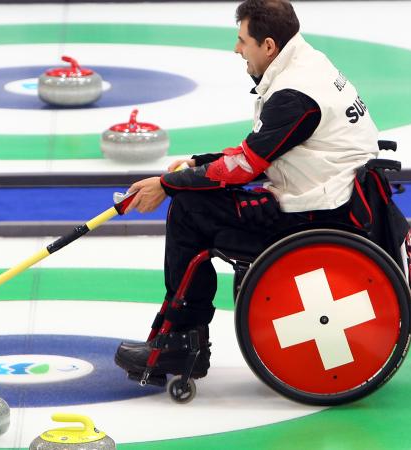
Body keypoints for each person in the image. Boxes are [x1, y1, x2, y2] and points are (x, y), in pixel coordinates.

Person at [114, 0, 382, 380]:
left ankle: (181, 344)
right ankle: (179, 337)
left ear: (269, 46)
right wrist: (199, 162)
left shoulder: (294, 94)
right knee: (195, 194)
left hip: (313, 216)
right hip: (335, 197)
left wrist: (167, 184)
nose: (237, 49)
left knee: (189, 211)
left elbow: (244, 167)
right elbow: (263, 148)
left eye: (243, 41)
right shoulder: (308, 62)